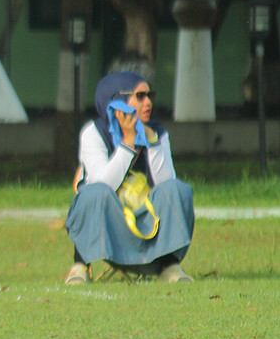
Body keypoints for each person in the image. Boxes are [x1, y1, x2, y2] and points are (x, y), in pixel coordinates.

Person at [65, 71, 195, 284]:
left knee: (177, 189)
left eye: (149, 96)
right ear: (118, 100)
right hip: (109, 221)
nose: (148, 102)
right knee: (93, 192)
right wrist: (128, 144)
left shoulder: (157, 132)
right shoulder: (94, 133)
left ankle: (169, 266)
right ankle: (80, 266)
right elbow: (103, 184)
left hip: (146, 217)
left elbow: (166, 186)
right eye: (140, 96)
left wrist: (151, 142)